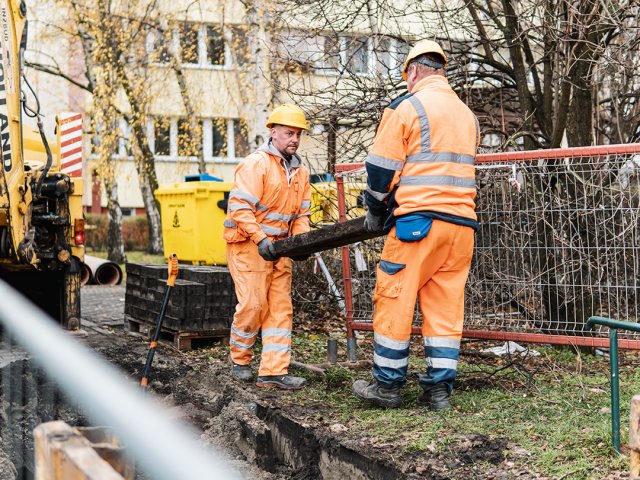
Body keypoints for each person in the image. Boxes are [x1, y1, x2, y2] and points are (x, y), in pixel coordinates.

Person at [352, 40, 480, 410]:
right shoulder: (466, 115)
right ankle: (438, 392)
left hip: (418, 225)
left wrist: (376, 210)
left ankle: (388, 387)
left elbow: (380, 168)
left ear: (413, 71)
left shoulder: (407, 106)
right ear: (441, 70)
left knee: (394, 299)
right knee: (445, 310)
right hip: (461, 227)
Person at [223, 104, 311, 390]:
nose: (294, 139)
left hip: (280, 250)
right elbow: (239, 208)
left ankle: (274, 371)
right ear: (273, 133)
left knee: (280, 310)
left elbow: (301, 216)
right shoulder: (256, 164)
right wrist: (260, 239)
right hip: (250, 247)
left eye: (298, 134)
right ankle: (240, 360)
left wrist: (300, 243)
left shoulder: (301, 173)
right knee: (253, 304)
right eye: (288, 133)